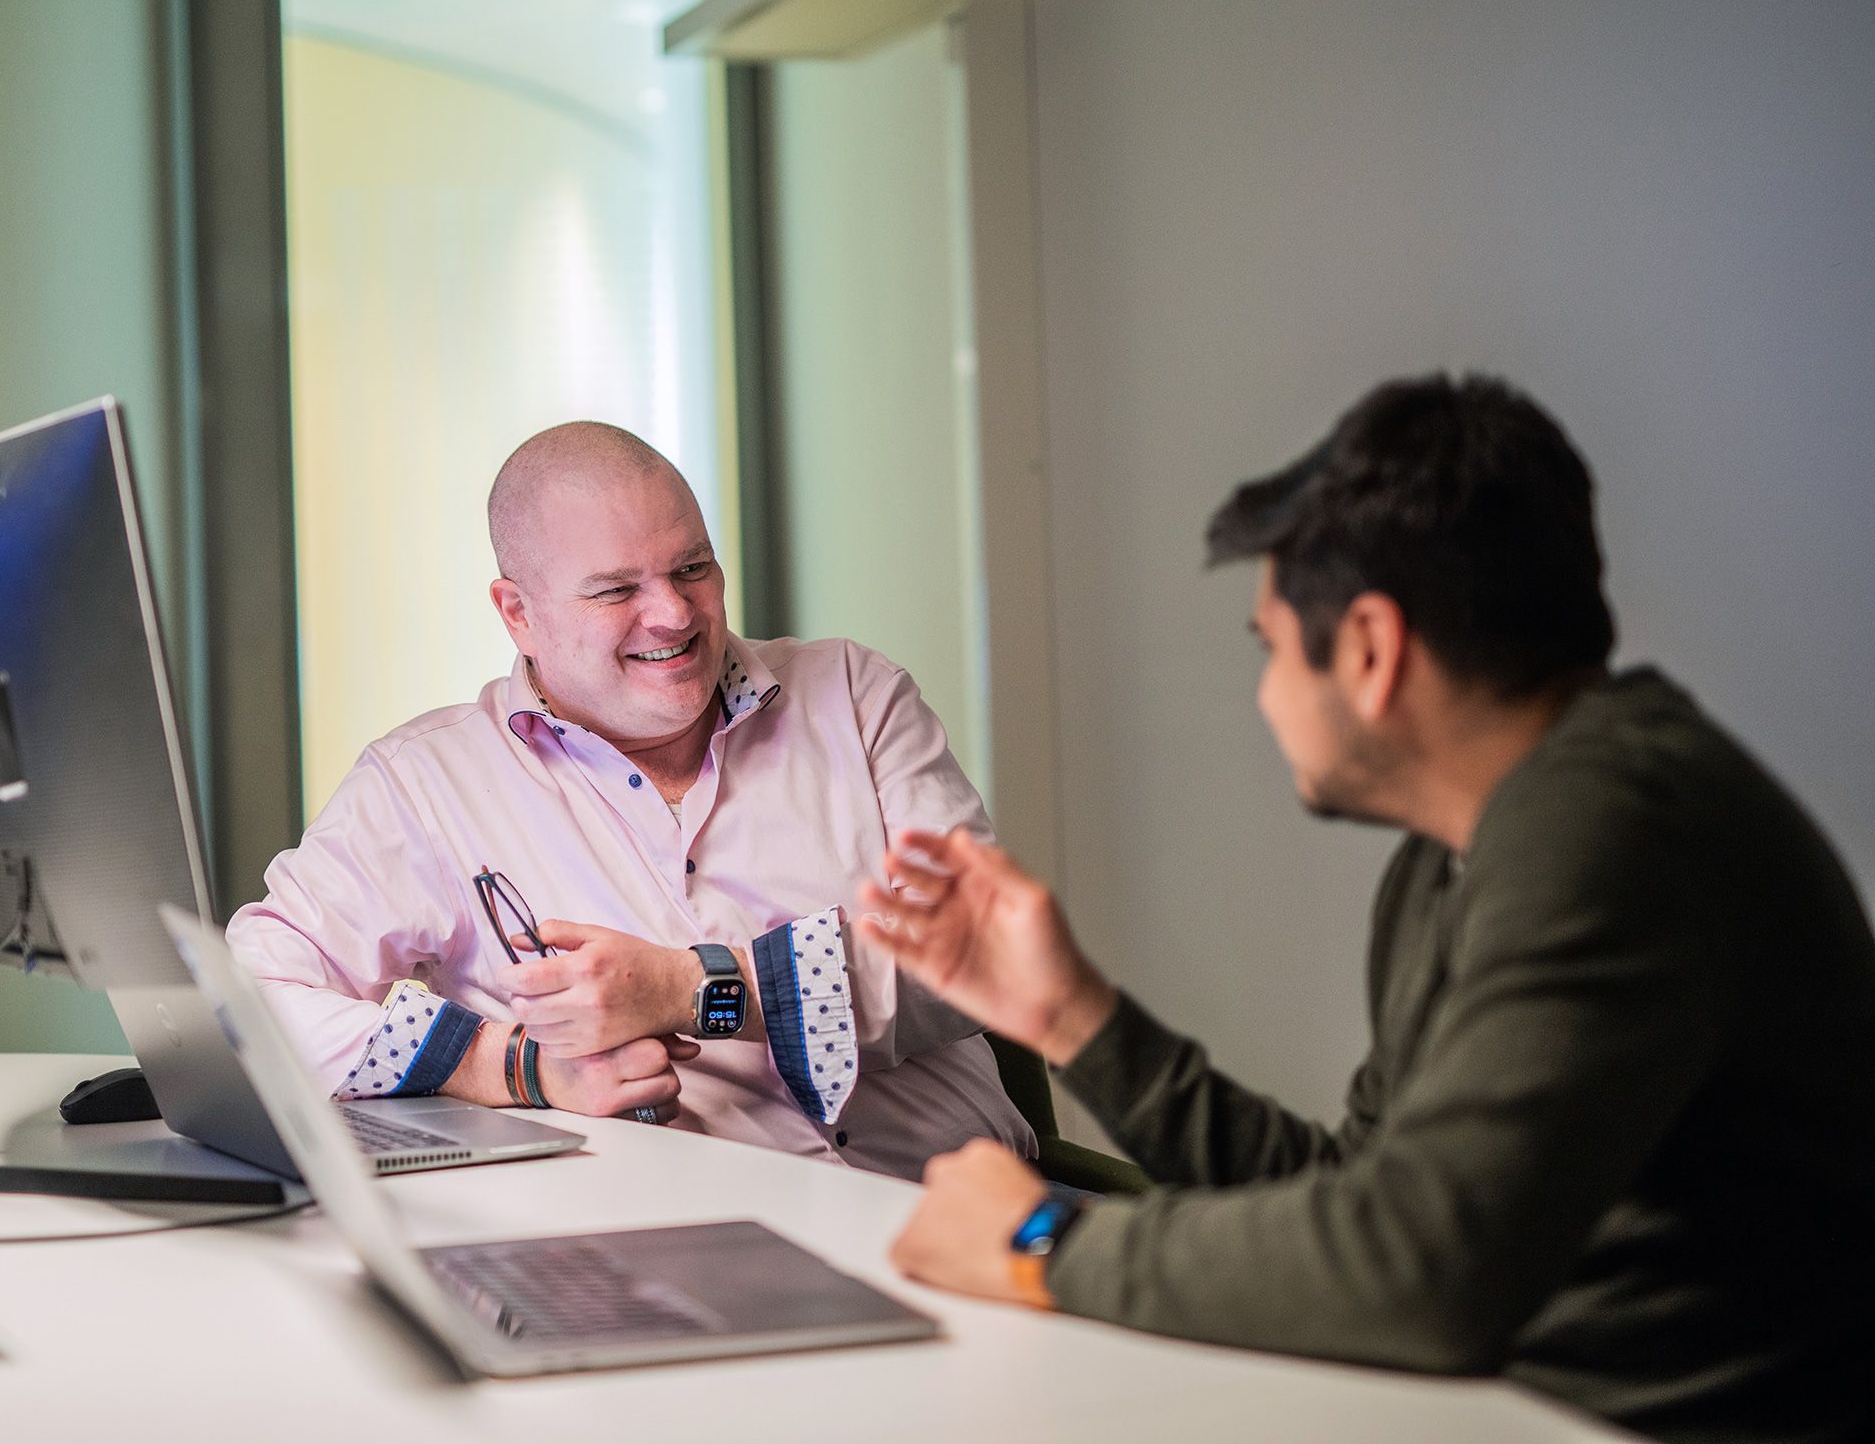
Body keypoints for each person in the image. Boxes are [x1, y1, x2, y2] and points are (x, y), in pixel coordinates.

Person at [863, 374, 1875, 1444]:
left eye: (1265, 646)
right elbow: (1365, 1195)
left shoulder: (1612, 830)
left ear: (1368, 648)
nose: (1262, 696)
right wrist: (1070, 1017)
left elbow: (1419, 1271)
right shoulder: (1458, 852)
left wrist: (1039, 1238)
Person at [228, 421, 1035, 1181]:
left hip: (971, 1216)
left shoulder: (856, 696)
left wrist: (693, 987)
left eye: (692, 567)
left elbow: (983, 955)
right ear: (519, 613)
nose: (675, 614)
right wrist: (508, 1064)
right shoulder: (423, 785)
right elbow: (246, 999)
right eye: (617, 589)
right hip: (686, 1249)